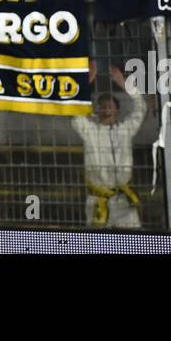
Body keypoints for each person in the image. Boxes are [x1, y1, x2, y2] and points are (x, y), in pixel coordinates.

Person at [71, 64, 147, 228]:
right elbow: (74, 112)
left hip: (123, 200)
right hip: (97, 199)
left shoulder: (125, 130)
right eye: (102, 105)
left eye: (110, 104)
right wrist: (85, 84)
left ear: (117, 110)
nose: (106, 108)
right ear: (97, 110)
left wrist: (124, 83)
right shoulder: (89, 131)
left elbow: (141, 108)